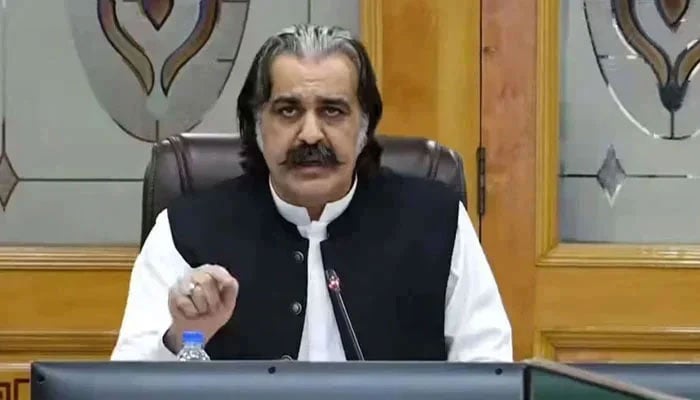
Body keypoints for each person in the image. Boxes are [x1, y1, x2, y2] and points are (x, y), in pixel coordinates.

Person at [111, 24, 512, 362]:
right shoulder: (186, 230)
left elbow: (488, 371)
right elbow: (128, 385)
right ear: (256, 125)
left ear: (364, 127)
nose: (310, 134)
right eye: (288, 111)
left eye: (332, 111)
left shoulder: (437, 222)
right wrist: (182, 336)